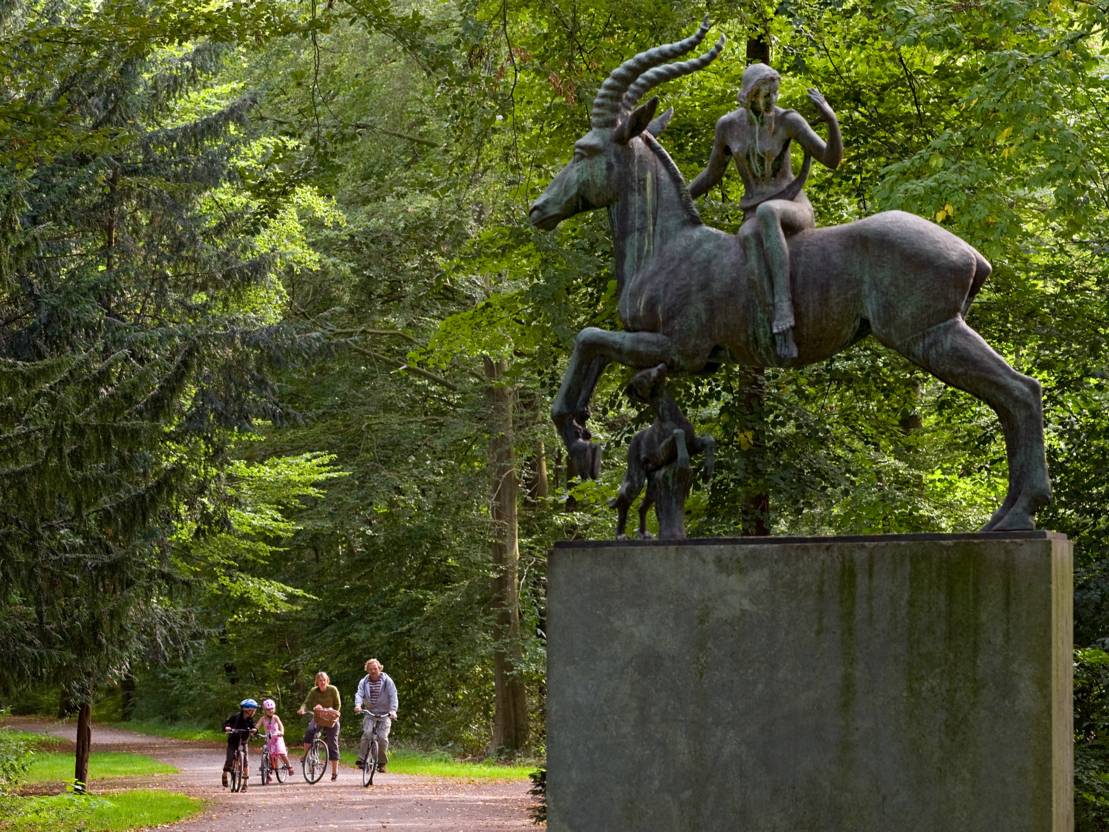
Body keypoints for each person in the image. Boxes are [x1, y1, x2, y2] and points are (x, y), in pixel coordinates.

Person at [689, 63, 842, 361]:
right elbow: (712, 174)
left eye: (775, 93)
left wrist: (831, 120)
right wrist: (682, 197)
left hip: (792, 208)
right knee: (747, 235)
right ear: (750, 94)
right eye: (766, 94)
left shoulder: (788, 121)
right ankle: (776, 323)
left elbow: (831, 159)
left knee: (768, 212)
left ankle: (785, 306)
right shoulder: (728, 126)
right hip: (754, 215)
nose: (772, 99)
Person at [354, 658, 399, 773]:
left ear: (379, 668)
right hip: (370, 713)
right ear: (367, 670)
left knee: (382, 738)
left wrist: (393, 710)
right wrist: (358, 705)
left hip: (385, 713)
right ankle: (362, 760)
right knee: (367, 733)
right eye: (370, 669)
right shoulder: (364, 682)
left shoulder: (387, 681)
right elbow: (359, 694)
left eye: (375, 668)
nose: (373, 671)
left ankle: (382, 763)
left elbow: (393, 695)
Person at [297, 670, 342, 781]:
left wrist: (332, 711)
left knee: (332, 742)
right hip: (318, 717)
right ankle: (306, 755)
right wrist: (302, 709)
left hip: (331, 718)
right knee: (309, 732)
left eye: (324, 680)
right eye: (320, 680)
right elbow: (306, 703)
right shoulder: (314, 691)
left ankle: (334, 772)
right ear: (316, 682)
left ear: (327, 681)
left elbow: (338, 705)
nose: (322, 682)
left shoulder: (332, 689)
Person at [222, 698, 258, 789]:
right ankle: (225, 773)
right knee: (229, 758)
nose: (254, 711)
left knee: (245, 761)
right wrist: (227, 727)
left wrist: (255, 730)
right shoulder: (235, 717)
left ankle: (245, 783)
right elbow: (226, 723)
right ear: (247, 710)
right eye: (253, 710)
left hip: (243, 742)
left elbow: (254, 727)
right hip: (233, 741)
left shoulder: (250, 719)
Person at [257, 698, 295, 779]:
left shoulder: (275, 717)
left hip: (277, 738)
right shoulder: (263, 719)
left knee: (281, 752)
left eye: (272, 709)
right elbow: (257, 726)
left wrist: (281, 732)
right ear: (264, 710)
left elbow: (281, 725)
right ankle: (268, 771)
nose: (270, 711)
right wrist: (254, 730)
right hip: (269, 739)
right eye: (268, 709)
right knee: (268, 754)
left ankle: (289, 767)